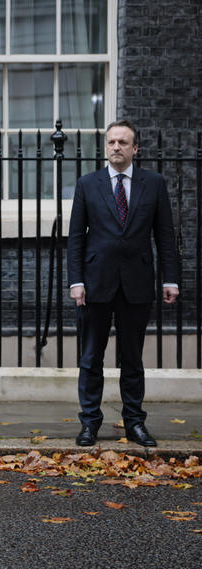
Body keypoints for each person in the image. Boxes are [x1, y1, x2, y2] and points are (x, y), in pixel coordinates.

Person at [67, 119, 180, 447]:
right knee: (91, 358)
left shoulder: (153, 184)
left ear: (135, 148)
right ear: (106, 147)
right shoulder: (88, 184)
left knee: (132, 358)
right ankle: (89, 423)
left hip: (137, 284)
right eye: (111, 142)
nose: (116, 147)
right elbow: (76, 237)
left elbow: (165, 235)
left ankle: (135, 423)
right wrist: (76, 280)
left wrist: (169, 278)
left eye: (122, 142)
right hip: (95, 283)